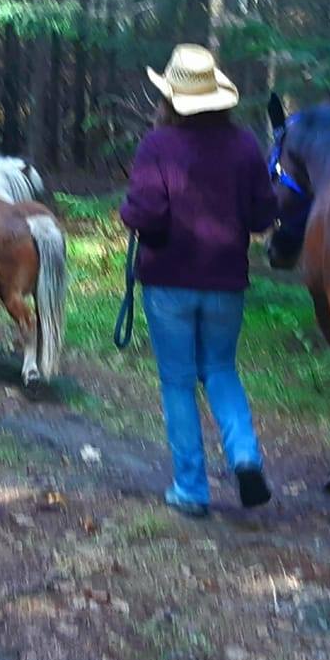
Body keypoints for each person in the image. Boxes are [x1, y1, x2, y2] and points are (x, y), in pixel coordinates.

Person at [120, 43, 278, 517]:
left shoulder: (157, 146)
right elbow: (262, 216)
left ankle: (191, 489)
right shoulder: (246, 144)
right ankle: (245, 455)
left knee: (178, 381)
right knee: (222, 371)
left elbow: (147, 215)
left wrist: (128, 211)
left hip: (168, 280)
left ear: (170, 97)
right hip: (226, 281)